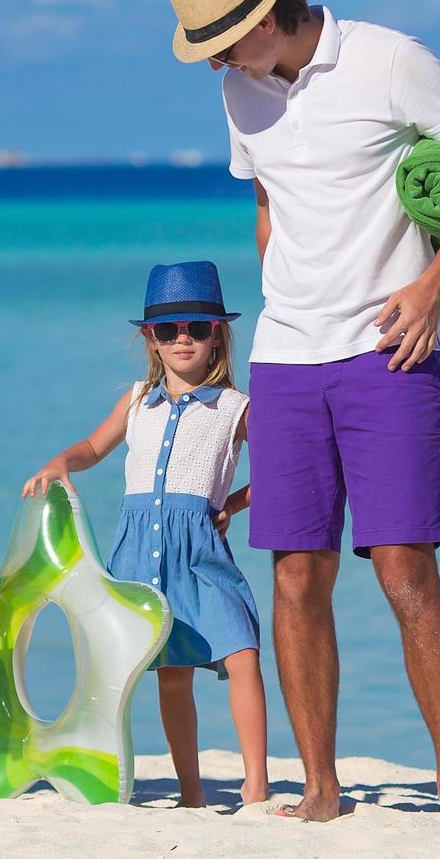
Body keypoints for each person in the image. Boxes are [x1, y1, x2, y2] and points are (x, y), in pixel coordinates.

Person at [165, 0, 440, 822]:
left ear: (268, 15)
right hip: (285, 358)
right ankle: (319, 788)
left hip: (387, 352)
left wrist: (435, 283)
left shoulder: (389, 59)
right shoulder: (237, 89)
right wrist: (276, 303)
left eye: (224, 41)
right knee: (294, 574)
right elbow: (267, 200)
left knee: (404, 569)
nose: (215, 58)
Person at [23, 261, 270, 809]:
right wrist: (61, 462)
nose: (183, 338)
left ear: (217, 336)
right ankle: (190, 791)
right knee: (171, 673)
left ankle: (256, 785)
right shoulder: (136, 400)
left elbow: (283, 467)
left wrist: (231, 503)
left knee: (242, 653)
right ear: (150, 338)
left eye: (197, 328)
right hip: (139, 553)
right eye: (169, 329)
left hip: (202, 553)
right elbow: (91, 448)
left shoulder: (236, 408)